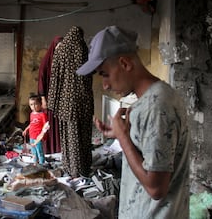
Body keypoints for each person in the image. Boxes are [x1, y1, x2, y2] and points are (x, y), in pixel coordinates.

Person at [76, 26, 190, 218]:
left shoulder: (157, 106)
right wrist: (123, 134)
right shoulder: (152, 100)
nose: (105, 85)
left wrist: (123, 139)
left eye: (104, 74)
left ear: (125, 63)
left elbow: (156, 188)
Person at [47, 26, 94, 178]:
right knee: (83, 135)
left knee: (68, 136)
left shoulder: (60, 51)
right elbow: (89, 76)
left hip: (65, 103)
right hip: (83, 101)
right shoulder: (83, 49)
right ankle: (83, 168)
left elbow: (54, 78)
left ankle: (70, 168)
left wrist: (52, 103)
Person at [38, 36, 63, 154]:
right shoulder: (46, 62)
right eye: (58, 47)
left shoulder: (62, 61)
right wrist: (43, 98)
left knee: (58, 123)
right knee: (49, 123)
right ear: (54, 47)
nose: (60, 50)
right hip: (48, 97)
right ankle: (49, 149)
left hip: (60, 98)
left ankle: (58, 149)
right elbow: (41, 79)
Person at [22, 94, 50, 165]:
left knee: (39, 152)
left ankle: (42, 165)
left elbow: (46, 126)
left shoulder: (42, 115)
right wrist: (26, 129)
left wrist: (43, 135)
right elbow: (31, 123)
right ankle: (35, 164)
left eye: (36, 104)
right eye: (31, 104)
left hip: (38, 137)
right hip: (32, 136)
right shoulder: (31, 114)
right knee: (34, 152)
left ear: (40, 104)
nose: (33, 106)